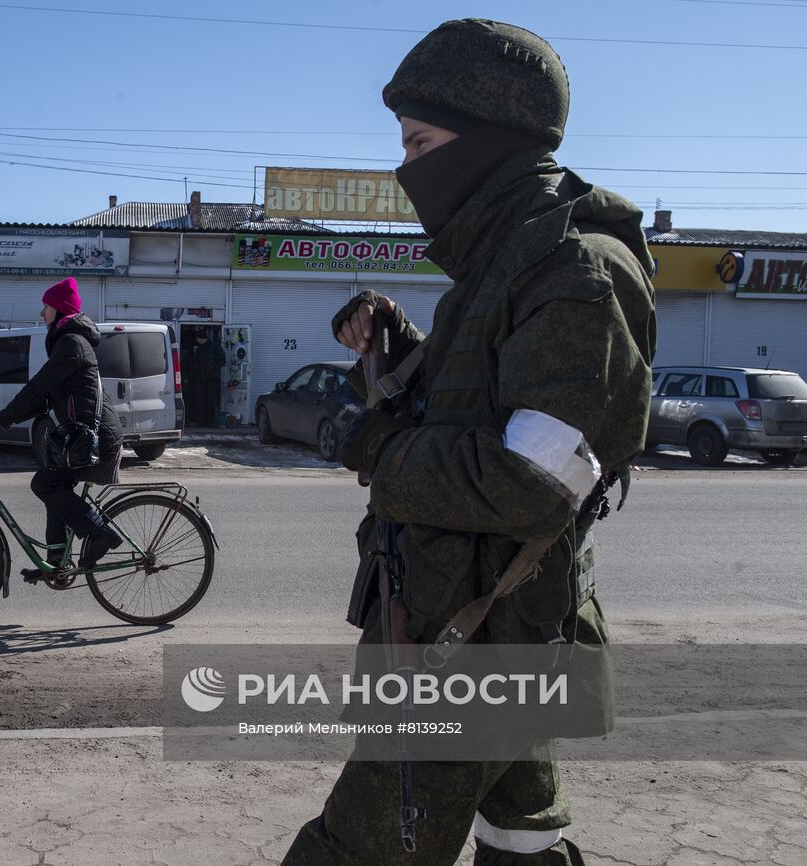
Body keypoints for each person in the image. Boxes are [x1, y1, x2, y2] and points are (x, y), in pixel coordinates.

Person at [283, 19, 655, 866]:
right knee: (521, 828)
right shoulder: (507, 260)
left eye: (419, 142)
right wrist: (395, 341)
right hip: (464, 613)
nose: (406, 167)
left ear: (487, 141)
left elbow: (531, 476)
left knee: (362, 845)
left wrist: (378, 450)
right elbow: (476, 399)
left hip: (482, 638)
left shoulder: (574, 271)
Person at [0, 277, 125, 581]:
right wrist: (6, 417)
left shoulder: (71, 343)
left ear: (60, 310)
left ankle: (101, 533)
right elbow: (45, 398)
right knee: (55, 487)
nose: (42, 314)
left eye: (46, 307)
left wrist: (4, 418)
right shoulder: (70, 342)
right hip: (85, 436)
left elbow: (38, 387)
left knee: (44, 485)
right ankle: (57, 564)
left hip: (95, 440)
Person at [193, 328, 224, 428]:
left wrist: (211, 368)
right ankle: (203, 421)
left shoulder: (213, 347)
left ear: (201, 338)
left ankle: (208, 421)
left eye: (198, 338)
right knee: (202, 400)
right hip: (204, 378)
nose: (197, 340)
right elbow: (196, 362)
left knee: (209, 400)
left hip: (211, 378)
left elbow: (222, 360)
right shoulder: (202, 348)